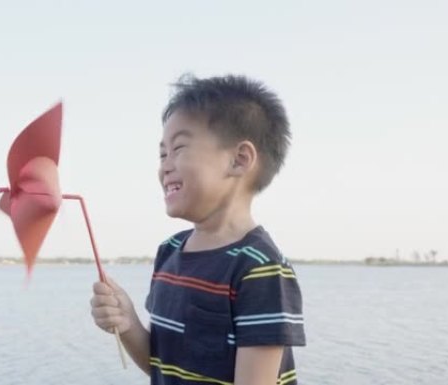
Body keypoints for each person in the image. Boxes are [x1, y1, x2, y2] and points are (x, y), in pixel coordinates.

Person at [90, 73, 306, 385]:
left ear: (239, 160)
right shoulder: (169, 252)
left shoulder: (259, 268)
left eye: (178, 148)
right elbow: (161, 367)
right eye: (162, 153)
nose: (164, 165)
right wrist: (127, 322)